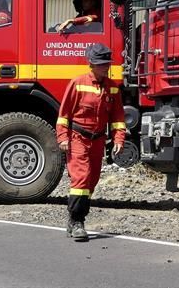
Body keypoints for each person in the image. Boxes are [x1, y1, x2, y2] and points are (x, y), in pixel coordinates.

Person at [56, 43, 126, 242]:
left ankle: (72, 218)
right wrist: (62, 137)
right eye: (101, 64)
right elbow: (64, 115)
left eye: (107, 64)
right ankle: (78, 222)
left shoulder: (112, 88)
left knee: (91, 181)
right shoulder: (78, 83)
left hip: (98, 141)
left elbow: (118, 117)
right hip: (78, 138)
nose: (105, 67)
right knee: (81, 178)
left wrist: (119, 138)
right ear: (91, 64)